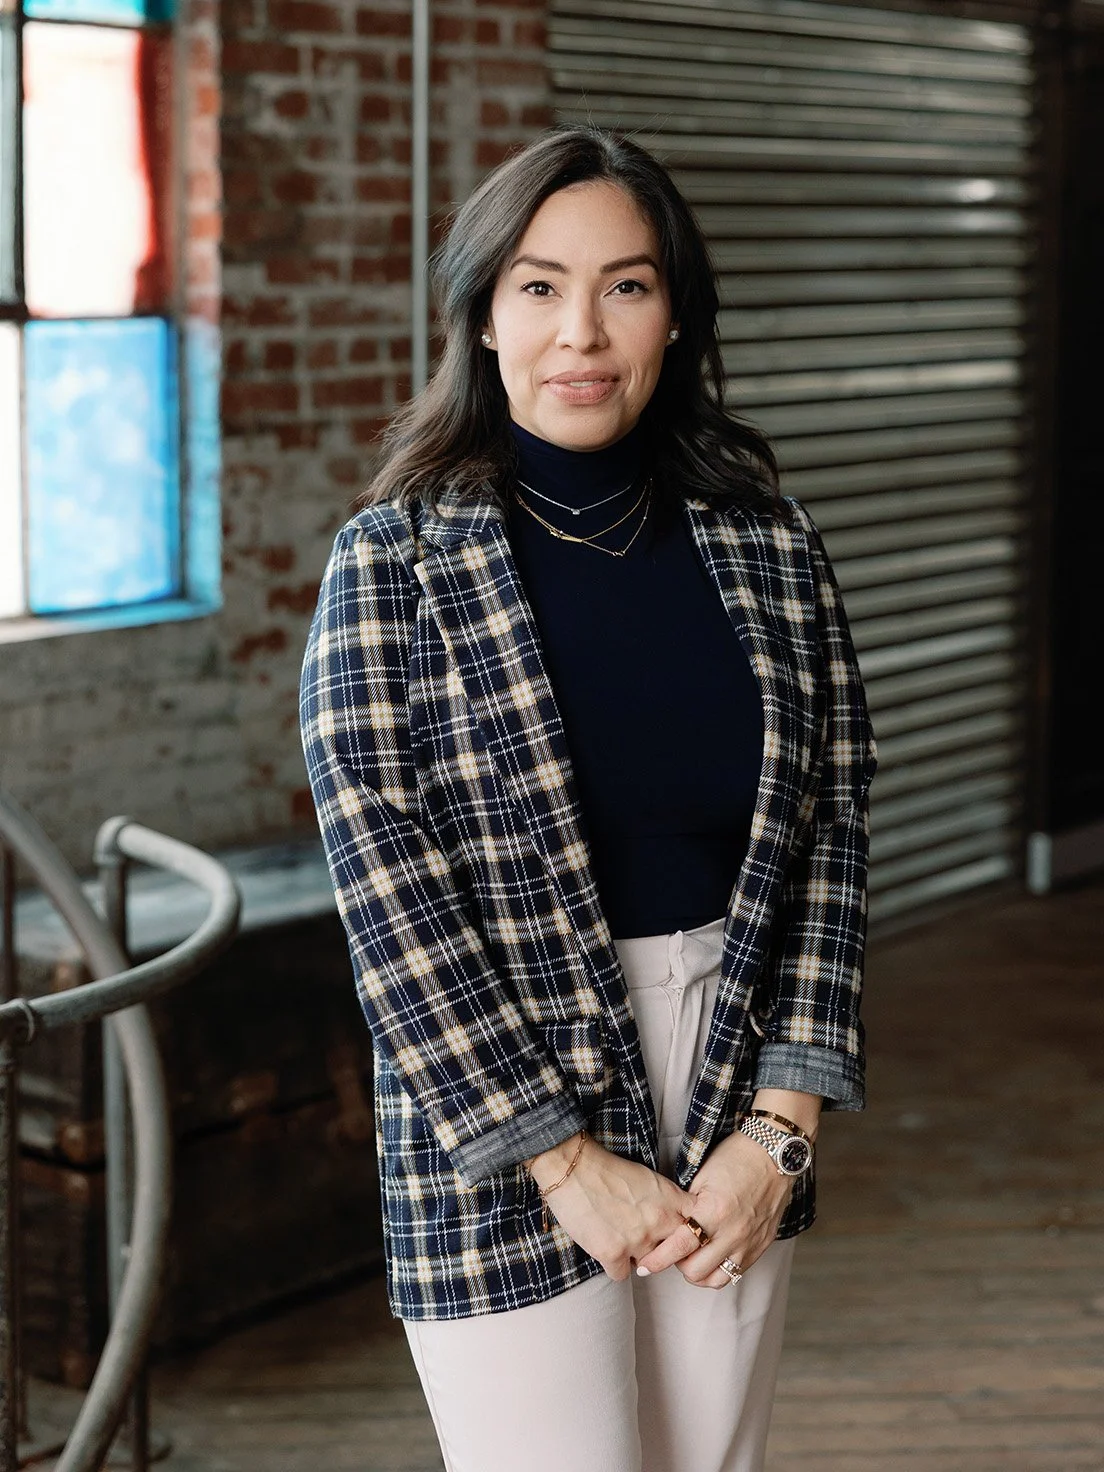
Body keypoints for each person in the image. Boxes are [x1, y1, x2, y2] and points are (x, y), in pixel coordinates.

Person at [299, 126, 877, 1472]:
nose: (583, 332)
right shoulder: (394, 561)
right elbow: (387, 892)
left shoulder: (770, 544)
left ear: (676, 316)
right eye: (540, 286)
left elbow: (834, 833)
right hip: (499, 1097)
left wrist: (782, 1129)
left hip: (733, 1075)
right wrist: (560, 1159)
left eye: (627, 285)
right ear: (483, 316)